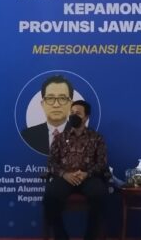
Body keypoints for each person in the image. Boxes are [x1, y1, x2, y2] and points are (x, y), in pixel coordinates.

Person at [44, 100, 107, 240]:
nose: (73, 116)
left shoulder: (96, 138)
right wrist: (64, 174)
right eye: (71, 113)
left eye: (78, 113)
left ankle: (90, 237)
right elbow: (51, 162)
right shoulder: (60, 138)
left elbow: (102, 163)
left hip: (88, 177)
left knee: (99, 194)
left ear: (86, 117)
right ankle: (61, 236)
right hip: (65, 178)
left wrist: (86, 173)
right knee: (50, 196)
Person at [21, 75, 73, 155]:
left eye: (62, 98)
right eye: (50, 98)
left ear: (71, 104)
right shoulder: (27, 136)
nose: (56, 105)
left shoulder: (82, 136)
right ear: (43, 104)